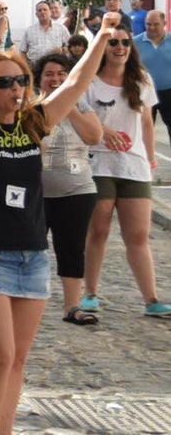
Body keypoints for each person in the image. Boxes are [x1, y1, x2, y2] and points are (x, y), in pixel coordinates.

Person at [0, 9, 116, 435]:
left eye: (20, 79)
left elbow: (76, 82)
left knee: (18, 358)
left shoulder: (34, 122)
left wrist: (101, 36)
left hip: (32, 256)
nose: (15, 88)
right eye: (4, 82)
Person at [78, 23, 171, 319]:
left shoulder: (141, 79)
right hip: (99, 164)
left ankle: (152, 299)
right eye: (113, 42)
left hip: (134, 165)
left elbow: (146, 122)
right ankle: (90, 292)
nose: (120, 47)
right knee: (98, 230)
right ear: (102, 47)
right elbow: (81, 119)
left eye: (125, 43)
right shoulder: (89, 81)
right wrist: (103, 130)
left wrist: (150, 157)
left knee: (138, 235)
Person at [33, 53, 102, 326]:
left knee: (71, 248)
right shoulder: (29, 106)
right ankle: (25, 301)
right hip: (36, 192)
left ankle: (72, 306)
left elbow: (94, 136)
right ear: (39, 79)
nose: (56, 79)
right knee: (30, 249)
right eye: (49, 74)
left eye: (62, 74)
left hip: (77, 190)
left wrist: (68, 104)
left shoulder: (81, 104)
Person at [134, 10, 171, 144]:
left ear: (164, 24)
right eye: (148, 24)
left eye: (156, 24)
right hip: (144, 92)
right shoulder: (135, 43)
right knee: (144, 130)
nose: (151, 28)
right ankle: (146, 162)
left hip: (169, 92)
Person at [19, 0, 70, 69]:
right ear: (36, 14)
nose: (42, 12)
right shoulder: (29, 30)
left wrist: (62, 50)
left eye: (45, 10)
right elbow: (22, 51)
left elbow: (70, 46)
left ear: (50, 12)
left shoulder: (61, 28)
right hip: (35, 68)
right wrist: (26, 68)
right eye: (39, 10)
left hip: (56, 67)